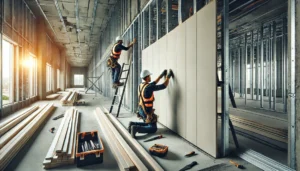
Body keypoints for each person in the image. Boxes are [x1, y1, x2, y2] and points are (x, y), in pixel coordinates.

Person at [128, 69, 174, 138]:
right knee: (153, 128)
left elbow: (154, 83)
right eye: (149, 76)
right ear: (147, 77)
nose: (150, 77)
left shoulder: (141, 85)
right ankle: (136, 128)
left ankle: (132, 124)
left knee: (147, 123)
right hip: (146, 112)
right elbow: (164, 85)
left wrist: (161, 76)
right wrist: (168, 77)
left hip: (140, 109)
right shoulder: (148, 87)